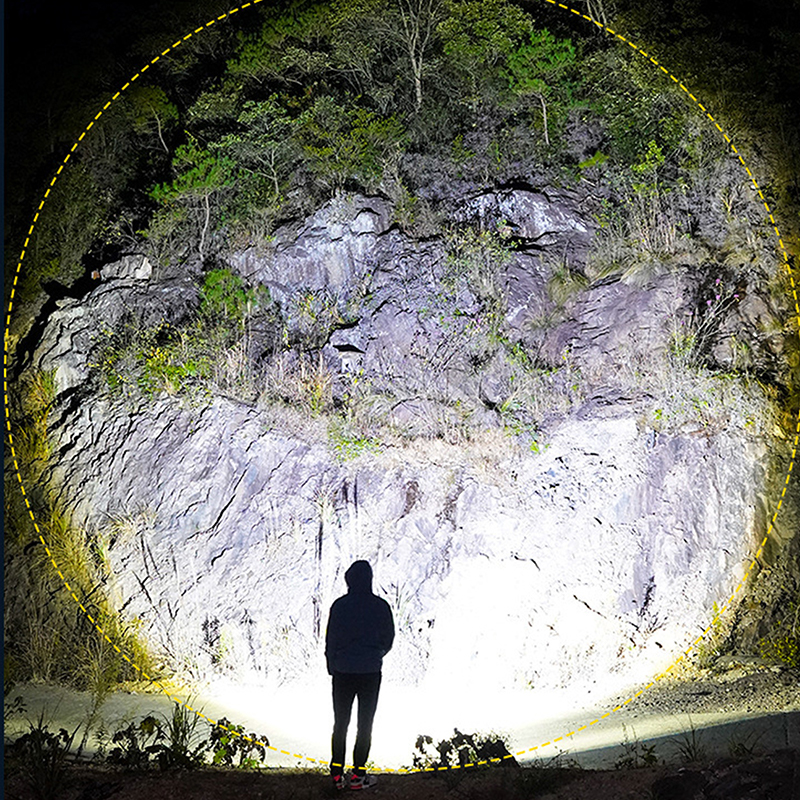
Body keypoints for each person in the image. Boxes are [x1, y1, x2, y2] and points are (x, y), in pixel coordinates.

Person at [325, 560, 394, 791]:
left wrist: (332, 665)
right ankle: (358, 775)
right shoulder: (381, 606)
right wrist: (375, 655)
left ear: (349, 581)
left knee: (340, 724)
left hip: (343, 672)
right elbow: (388, 639)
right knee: (365, 725)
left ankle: (337, 775)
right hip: (370, 672)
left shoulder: (339, 606)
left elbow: (331, 640)